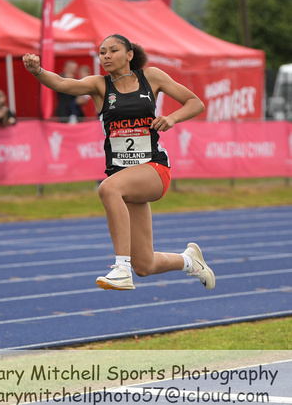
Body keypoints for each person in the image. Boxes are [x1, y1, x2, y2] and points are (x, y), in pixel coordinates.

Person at [22, 34, 215, 291]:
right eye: (102, 52)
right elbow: (60, 83)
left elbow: (195, 103)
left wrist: (172, 118)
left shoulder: (152, 77)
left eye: (113, 50)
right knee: (145, 265)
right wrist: (38, 72)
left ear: (129, 55)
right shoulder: (99, 85)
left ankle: (121, 268)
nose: (107, 56)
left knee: (108, 188)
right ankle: (190, 262)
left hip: (154, 169)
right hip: (126, 176)